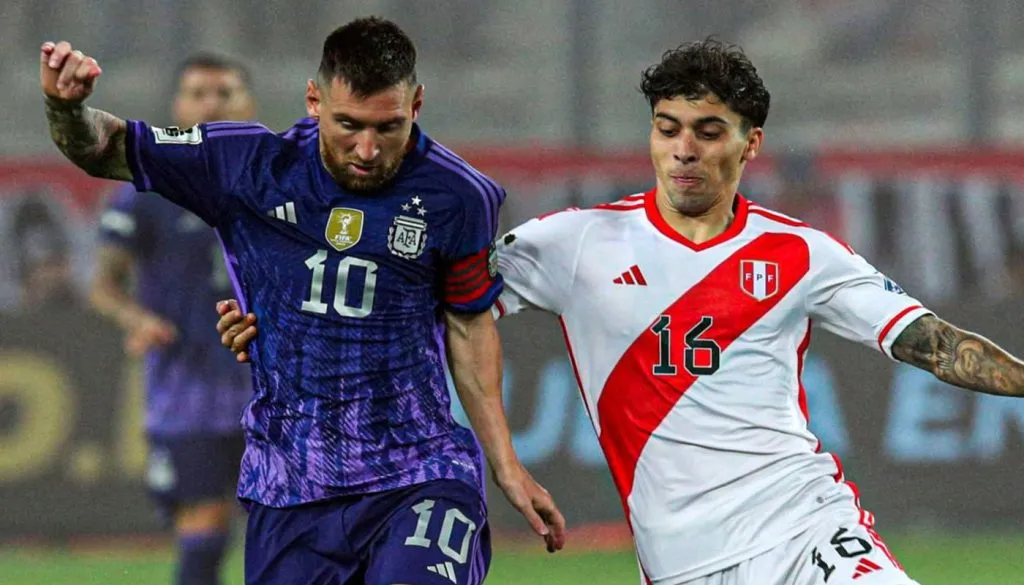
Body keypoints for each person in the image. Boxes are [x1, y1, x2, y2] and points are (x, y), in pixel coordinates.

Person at [216, 39, 1024, 585]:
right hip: (678, 559)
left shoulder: (801, 254)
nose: (684, 149)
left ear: (751, 142)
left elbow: (930, 341)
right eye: (669, 128)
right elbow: (426, 297)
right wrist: (280, 319)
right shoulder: (577, 243)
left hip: (804, 527)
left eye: (710, 132)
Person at [39, 16, 564, 585]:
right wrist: (66, 108)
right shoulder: (247, 165)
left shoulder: (460, 196)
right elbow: (106, 147)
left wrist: (506, 466)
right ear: (314, 100)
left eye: (388, 127)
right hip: (291, 485)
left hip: (419, 471)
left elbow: (468, 327)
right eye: (348, 125)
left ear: (417, 104)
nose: (367, 149)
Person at [89, 53, 256, 585]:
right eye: (199, 93)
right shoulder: (149, 189)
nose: (212, 103)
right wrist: (135, 318)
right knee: (203, 529)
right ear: (178, 107)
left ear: (247, 103)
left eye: (224, 92)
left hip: (276, 391)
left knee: (295, 536)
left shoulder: (277, 182)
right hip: (189, 393)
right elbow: (103, 285)